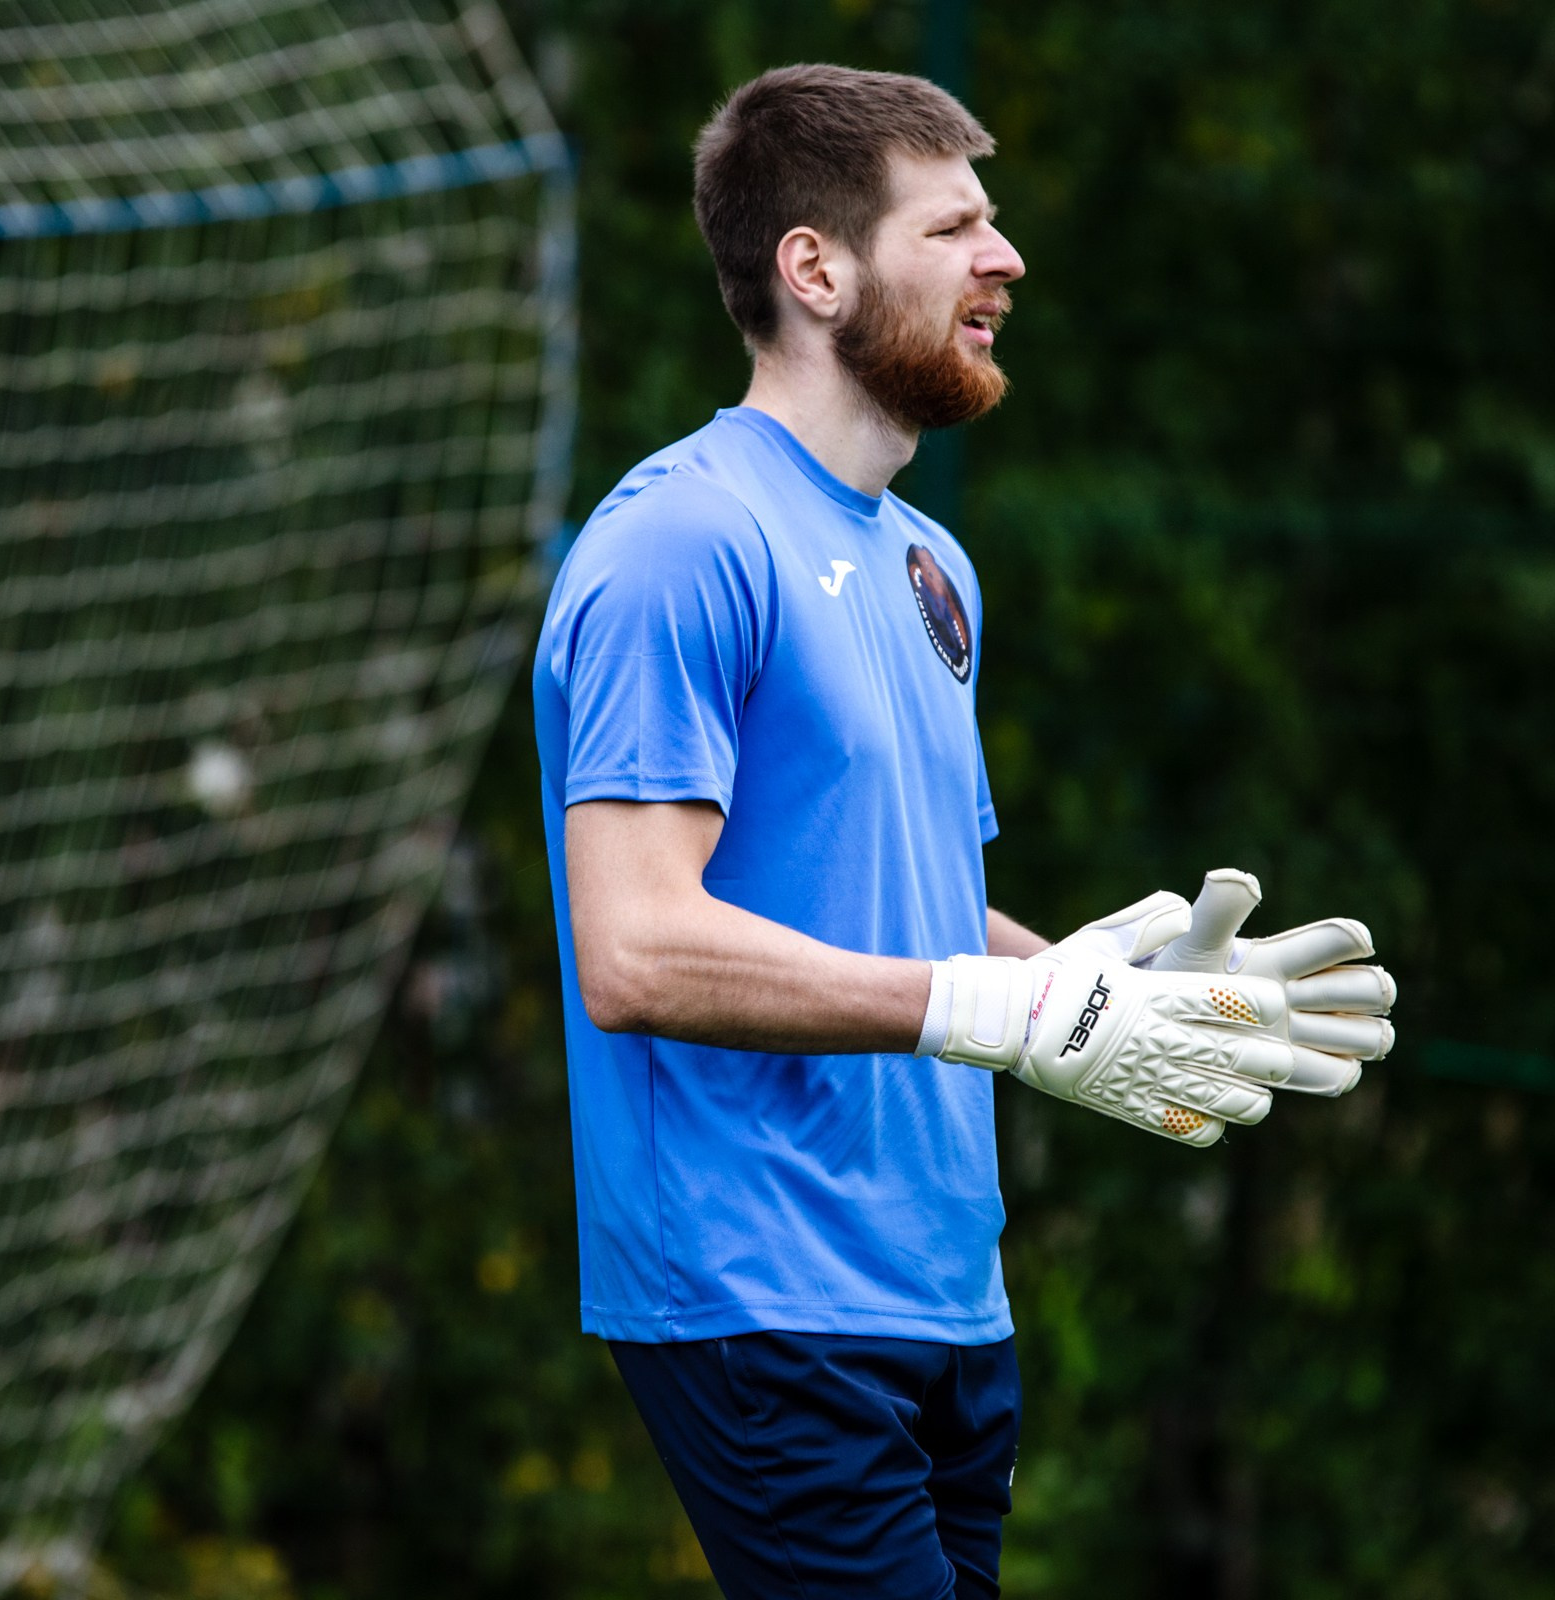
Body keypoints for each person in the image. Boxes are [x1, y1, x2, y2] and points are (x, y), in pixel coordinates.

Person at [532, 63, 1396, 1600]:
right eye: (957, 226)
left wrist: (1106, 994)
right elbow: (636, 946)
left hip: (946, 1295)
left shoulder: (934, 567)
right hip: (759, 1290)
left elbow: (908, 912)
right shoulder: (682, 541)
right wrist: (997, 1009)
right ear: (817, 268)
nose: (1006, 261)